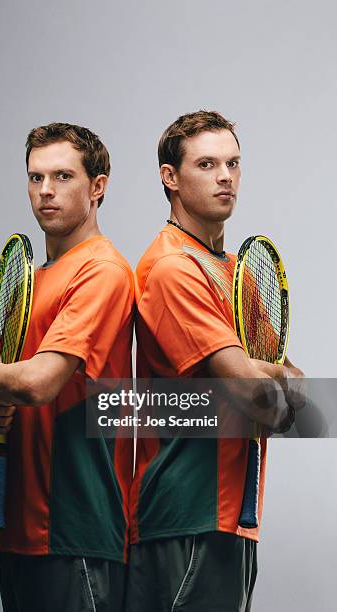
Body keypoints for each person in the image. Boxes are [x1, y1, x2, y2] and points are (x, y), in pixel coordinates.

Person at [127, 110, 304, 611]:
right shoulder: (171, 268)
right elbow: (258, 391)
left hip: (234, 517)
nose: (226, 176)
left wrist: (268, 382)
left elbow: (294, 395)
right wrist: (266, 383)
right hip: (186, 514)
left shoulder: (235, 273)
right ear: (170, 178)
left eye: (233, 163)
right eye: (207, 164)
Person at [0, 123, 134, 612]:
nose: (45, 191)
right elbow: (2, 391)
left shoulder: (101, 271)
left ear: (97, 187)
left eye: (62, 176)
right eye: (35, 177)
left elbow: (38, 383)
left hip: (75, 529)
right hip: (19, 527)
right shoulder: (32, 280)